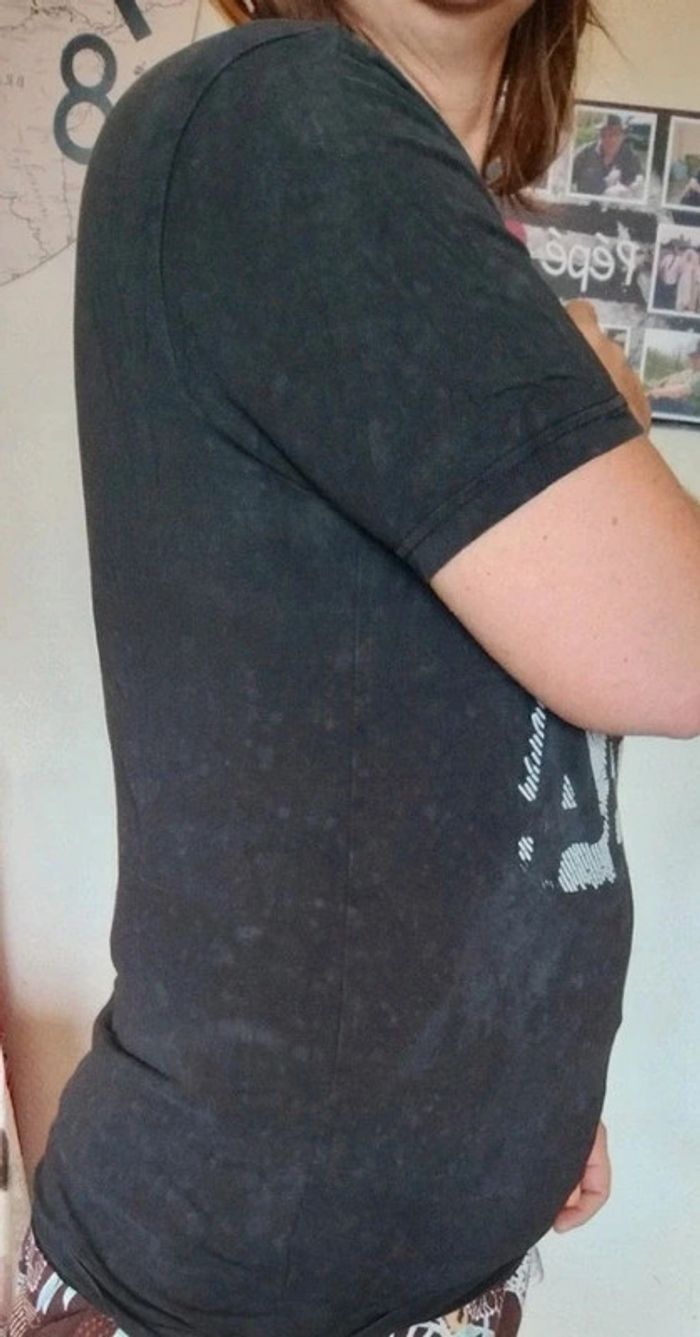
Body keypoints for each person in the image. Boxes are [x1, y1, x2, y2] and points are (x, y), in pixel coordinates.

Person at [14, 2, 700, 1337]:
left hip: (426, 1278)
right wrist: (615, 415)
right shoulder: (279, 113)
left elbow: (428, 751)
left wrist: (517, 1090)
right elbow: (669, 640)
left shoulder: (440, 240)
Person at [570, 111, 645, 197]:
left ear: (623, 136)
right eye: (605, 134)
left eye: (616, 134)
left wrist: (635, 185)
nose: (611, 139)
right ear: (600, 135)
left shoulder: (631, 156)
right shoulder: (585, 153)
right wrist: (607, 182)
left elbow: (639, 177)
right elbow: (567, 180)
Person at [647, 339, 700, 416]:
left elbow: (681, 390)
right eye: (692, 356)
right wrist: (657, 387)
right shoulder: (691, 372)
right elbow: (671, 379)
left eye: (697, 357)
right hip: (683, 407)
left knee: (657, 403)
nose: (693, 360)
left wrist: (654, 393)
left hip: (694, 412)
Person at [674, 245, 700, 314]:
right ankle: (682, 308)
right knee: (683, 293)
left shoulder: (694, 264)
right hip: (686, 280)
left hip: (691, 281)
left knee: (688, 295)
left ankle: (688, 308)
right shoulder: (686, 263)